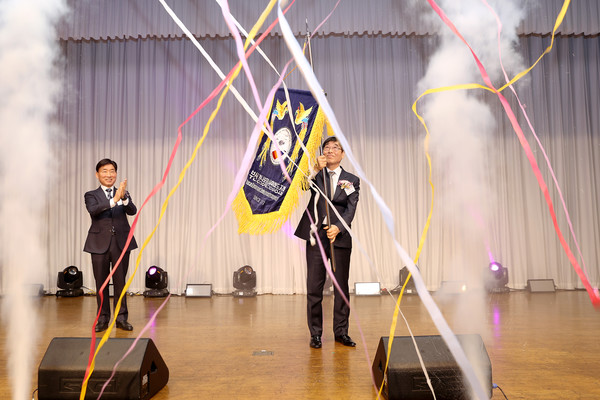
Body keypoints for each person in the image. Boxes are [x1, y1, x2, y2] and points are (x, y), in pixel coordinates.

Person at [295, 136, 360, 349]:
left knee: (341, 286)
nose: (330, 150)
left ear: (342, 154)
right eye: (327, 147)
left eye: (335, 147)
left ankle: (341, 332)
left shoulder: (351, 179)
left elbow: (350, 208)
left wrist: (338, 227)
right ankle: (315, 334)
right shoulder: (316, 174)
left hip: (339, 236)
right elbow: (302, 185)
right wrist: (315, 168)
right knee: (314, 286)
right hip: (316, 235)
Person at [84, 159, 138, 332]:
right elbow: (94, 210)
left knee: (120, 282)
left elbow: (132, 211)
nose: (109, 174)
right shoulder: (91, 195)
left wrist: (124, 198)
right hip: (98, 243)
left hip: (121, 243)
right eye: (105, 171)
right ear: (97, 174)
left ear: (116, 173)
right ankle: (102, 318)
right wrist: (114, 200)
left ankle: (121, 318)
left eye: (112, 171)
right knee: (101, 284)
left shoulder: (123, 192)